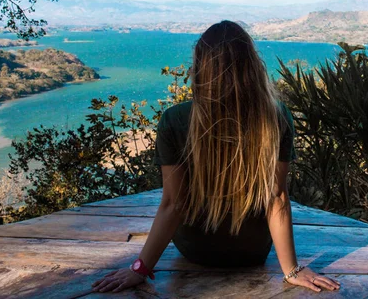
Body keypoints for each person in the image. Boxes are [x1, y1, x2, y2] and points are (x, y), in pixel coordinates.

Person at [91, 21, 341, 294]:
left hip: (195, 250)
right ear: (253, 66)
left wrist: (139, 268)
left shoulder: (175, 120)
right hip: (252, 251)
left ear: (200, 68)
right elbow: (277, 197)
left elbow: (173, 204)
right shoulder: (276, 116)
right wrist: (291, 270)